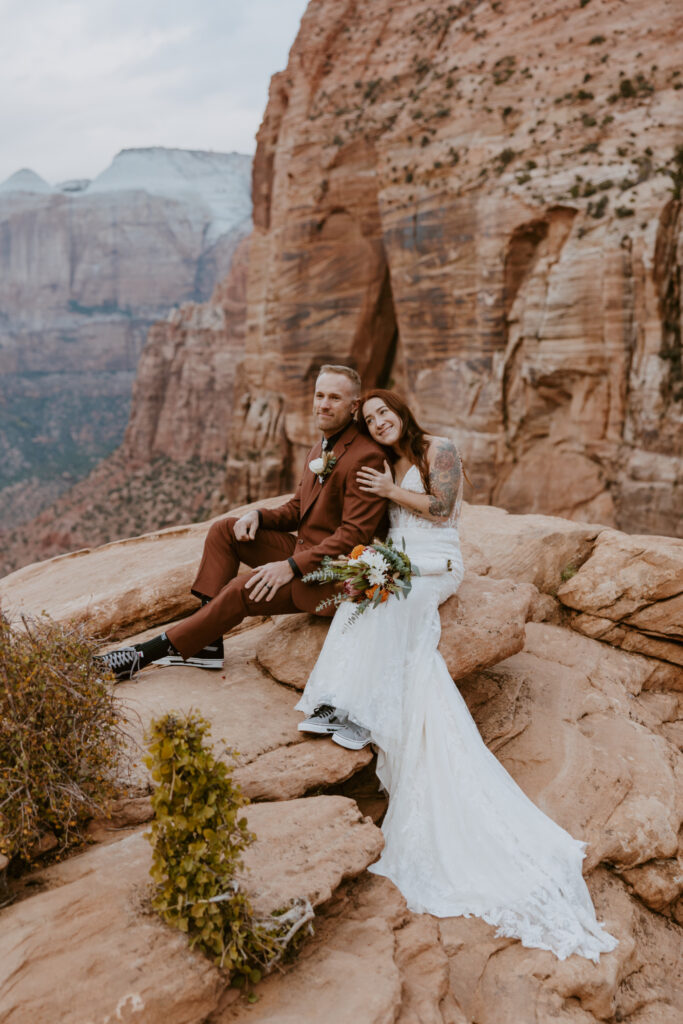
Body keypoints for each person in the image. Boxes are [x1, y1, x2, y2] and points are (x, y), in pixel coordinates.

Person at [297, 389, 618, 962]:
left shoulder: (436, 450)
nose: (379, 422)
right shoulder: (385, 462)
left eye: (383, 413)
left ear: (401, 412)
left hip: (438, 561)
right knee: (360, 600)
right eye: (370, 420)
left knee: (390, 601)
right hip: (398, 559)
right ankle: (336, 707)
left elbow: (442, 509)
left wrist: (393, 493)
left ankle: (360, 715)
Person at [97, 366, 389, 683]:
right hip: (303, 552)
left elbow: (353, 535)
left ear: (354, 406)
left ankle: (143, 654)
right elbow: (297, 508)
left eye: (335, 397)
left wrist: (290, 566)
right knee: (225, 530)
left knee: (241, 587)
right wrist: (258, 516)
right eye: (319, 395)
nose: (323, 404)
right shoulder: (319, 448)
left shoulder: (366, 456)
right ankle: (207, 644)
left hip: (329, 575)